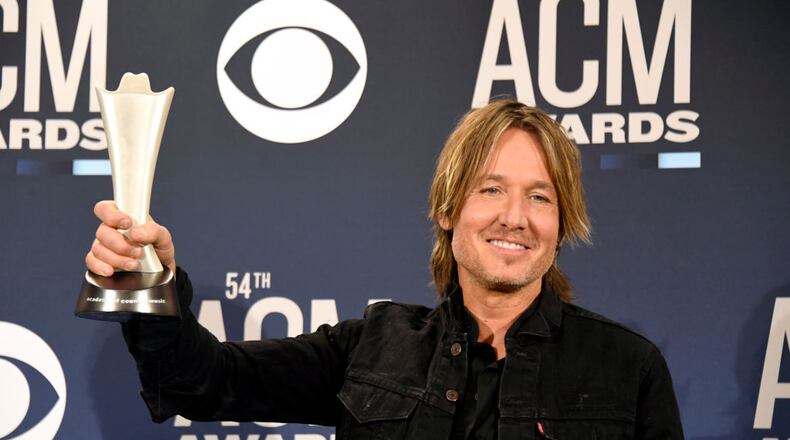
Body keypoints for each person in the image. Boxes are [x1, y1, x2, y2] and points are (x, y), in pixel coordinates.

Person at [87, 100, 684, 439]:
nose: (514, 217)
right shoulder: (370, 349)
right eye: (492, 189)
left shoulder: (629, 369)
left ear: (563, 221)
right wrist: (149, 279)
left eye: (539, 197)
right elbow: (203, 380)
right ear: (449, 211)